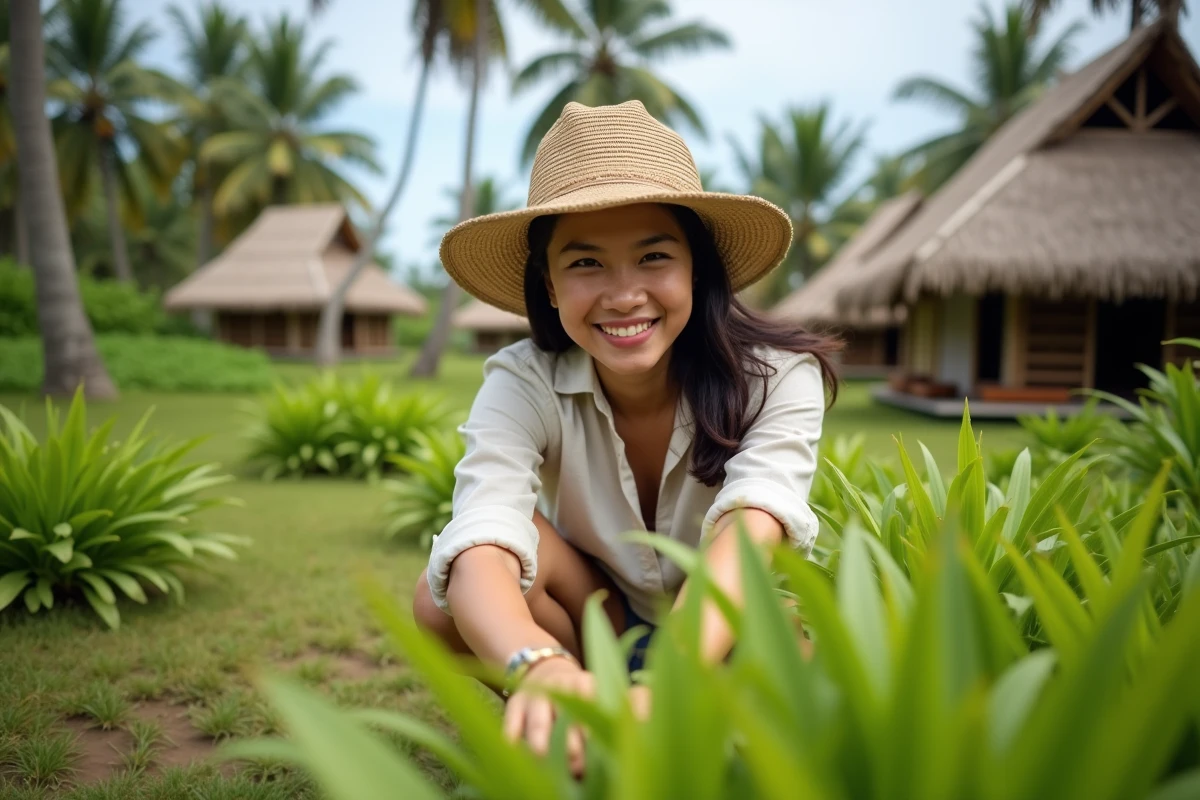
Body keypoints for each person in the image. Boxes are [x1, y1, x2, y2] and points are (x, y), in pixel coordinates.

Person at [412, 100, 838, 769]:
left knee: (800, 655)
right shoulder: (523, 380)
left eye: (653, 256)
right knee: (440, 603)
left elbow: (750, 534)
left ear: (696, 268)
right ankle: (572, 711)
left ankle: (664, 717)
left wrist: (674, 678)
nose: (624, 294)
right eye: (585, 264)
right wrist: (538, 663)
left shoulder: (779, 378)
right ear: (547, 285)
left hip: (721, 625)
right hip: (594, 619)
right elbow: (481, 534)